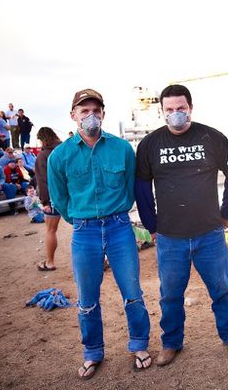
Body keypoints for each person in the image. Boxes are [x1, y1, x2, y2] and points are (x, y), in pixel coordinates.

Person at [135, 84, 228, 367]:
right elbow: (142, 186)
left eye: (181, 108)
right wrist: (152, 224)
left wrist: (225, 213)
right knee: (170, 294)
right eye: (170, 110)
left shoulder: (211, 137)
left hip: (209, 232)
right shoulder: (150, 144)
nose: (176, 114)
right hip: (170, 236)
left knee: (222, 287)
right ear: (162, 112)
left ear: (191, 108)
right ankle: (171, 342)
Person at [47, 88, 151, 379]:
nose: (91, 116)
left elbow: (131, 188)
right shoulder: (60, 156)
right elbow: (61, 200)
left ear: (103, 114)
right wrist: (82, 221)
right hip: (84, 232)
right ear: (73, 115)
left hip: (119, 228)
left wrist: (116, 215)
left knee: (132, 293)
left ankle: (140, 345)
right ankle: (92, 352)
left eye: (96, 111)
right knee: (87, 298)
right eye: (84, 111)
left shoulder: (121, 149)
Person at [34, 127, 62, 271]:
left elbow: (42, 180)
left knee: (51, 230)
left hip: (53, 198)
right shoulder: (64, 149)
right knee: (83, 229)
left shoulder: (43, 155)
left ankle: (50, 262)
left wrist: (45, 201)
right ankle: (101, 260)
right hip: (74, 195)